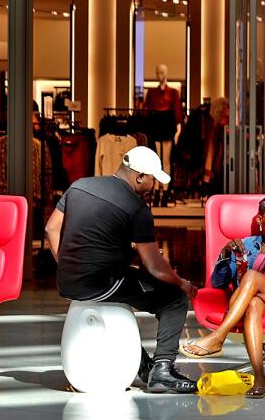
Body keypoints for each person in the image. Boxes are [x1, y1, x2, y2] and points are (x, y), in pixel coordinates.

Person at [45, 146, 199, 394]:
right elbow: (154, 266)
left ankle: (142, 364)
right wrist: (180, 282)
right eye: (152, 179)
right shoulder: (137, 208)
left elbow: (51, 228)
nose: (153, 186)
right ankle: (162, 370)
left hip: (66, 281)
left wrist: (66, 263)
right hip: (103, 283)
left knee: (130, 278)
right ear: (139, 176)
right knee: (173, 299)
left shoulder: (79, 186)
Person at [181, 195, 265, 399]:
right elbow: (217, 282)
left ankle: (218, 337)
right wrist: (225, 254)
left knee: (252, 276)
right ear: (260, 219)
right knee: (252, 304)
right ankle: (260, 380)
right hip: (259, 301)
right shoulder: (246, 245)